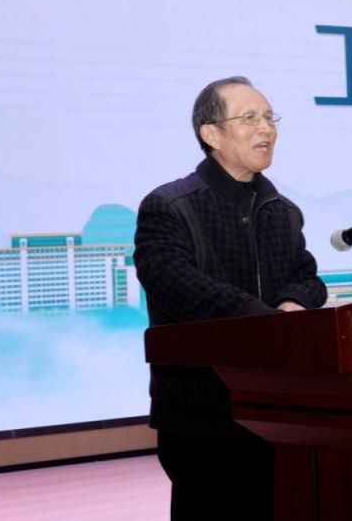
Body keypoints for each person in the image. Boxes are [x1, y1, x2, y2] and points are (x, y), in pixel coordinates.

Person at [134, 76, 328, 520]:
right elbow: (175, 284)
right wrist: (263, 320)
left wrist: (293, 305)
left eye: (270, 118)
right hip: (203, 412)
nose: (266, 129)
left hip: (280, 408)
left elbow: (306, 276)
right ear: (211, 133)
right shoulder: (171, 205)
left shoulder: (283, 210)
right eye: (249, 118)